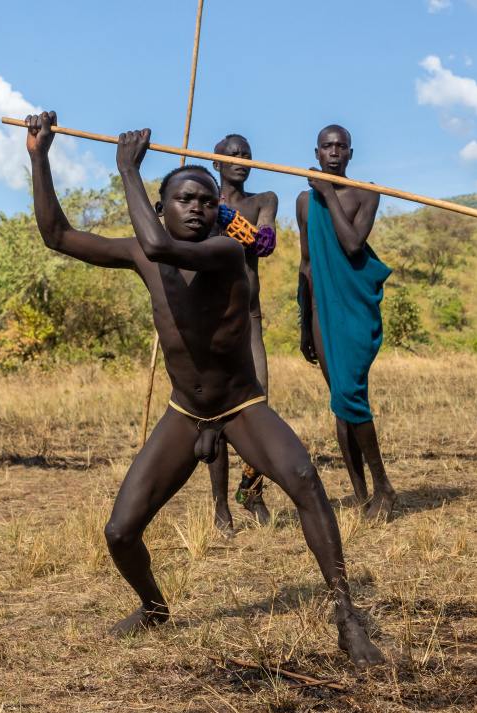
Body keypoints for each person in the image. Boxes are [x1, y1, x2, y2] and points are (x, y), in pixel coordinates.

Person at [25, 111, 384, 668]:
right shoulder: (142, 251)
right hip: (184, 412)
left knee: (306, 481)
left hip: (240, 407)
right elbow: (57, 236)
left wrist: (127, 171)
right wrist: (39, 156)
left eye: (204, 199)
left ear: (218, 210)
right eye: (182, 199)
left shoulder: (225, 252)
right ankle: (153, 607)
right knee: (120, 533)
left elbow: (164, 247)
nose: (194, 207)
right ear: (164, 207)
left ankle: (345, 614)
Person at [297, 125, 397, 520]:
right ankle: (361, 495)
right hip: (322, 312)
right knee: (341, 402)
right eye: (327, 146)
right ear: (317, 152)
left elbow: (353, 244)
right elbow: (306, 264)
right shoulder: (304, 202)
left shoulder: (367, 192)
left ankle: (383, 487)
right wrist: (305, 322)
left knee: (350, 395)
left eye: (341, 147)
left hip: (354, 309)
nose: (334, 152)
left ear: (350, 154)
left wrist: (326, 192)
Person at [209, 134, 278, 535]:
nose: (240, 159)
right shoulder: (199, 198)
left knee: (258, 409)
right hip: (208, 322)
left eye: (246, 154)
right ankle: (221, 507)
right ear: (214, 163)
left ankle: (251, 491)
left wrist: (225, 218)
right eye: (231, 155)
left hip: (248, 319)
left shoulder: (263, 199)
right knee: (213, 415)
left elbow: (262, 243)